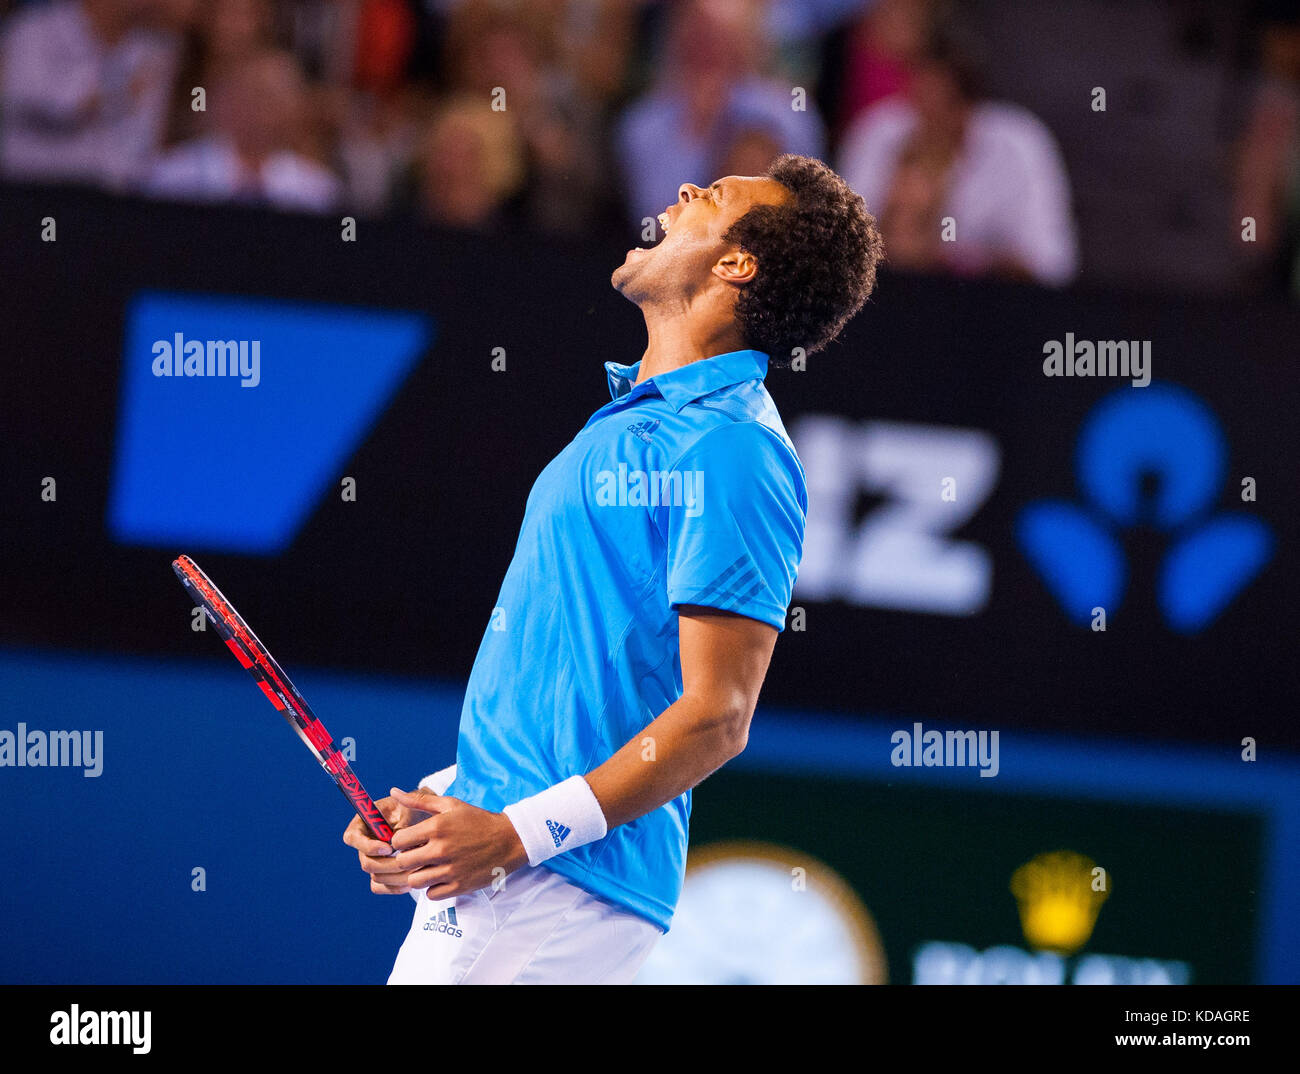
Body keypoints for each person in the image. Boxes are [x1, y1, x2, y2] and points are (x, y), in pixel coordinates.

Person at [343, 154, 884, 985]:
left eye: (716, 197)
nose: (686, 192)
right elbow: (571, 674)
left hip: (554, 887)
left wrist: (513, 834)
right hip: (518, 869)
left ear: (737, 264)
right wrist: (446, 804)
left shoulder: (733, 447)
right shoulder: (628, 423)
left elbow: (718, 715)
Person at [838, 22, 1078, 284]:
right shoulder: (877, 131)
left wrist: (957, 261)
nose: (928, 115)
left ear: (968, 103)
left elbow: (1051, 264)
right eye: (919, 98)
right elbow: (843, 247)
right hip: (888, 295)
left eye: (943, 101)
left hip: (991, 306)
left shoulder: (1021, 143)